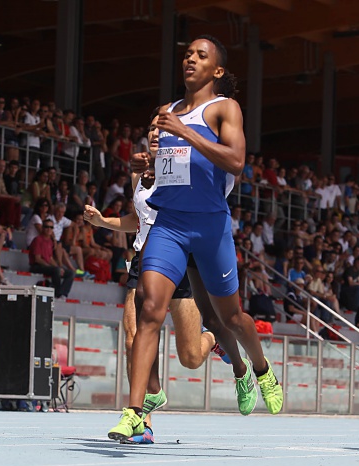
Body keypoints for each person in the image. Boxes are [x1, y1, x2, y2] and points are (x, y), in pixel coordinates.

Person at [108, 35, 283, 442]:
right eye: (187, 54)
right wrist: (148, 164)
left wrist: (185, 132)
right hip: (168, 225)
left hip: (209, 227)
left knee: (229, 318)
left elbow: (236, 161)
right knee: (149, 308)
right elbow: (176, 168)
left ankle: (261, 370)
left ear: (216, 70)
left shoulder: (224, 108)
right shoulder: (166, 112)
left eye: (201, 56)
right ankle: (134, 411)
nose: (190, 59)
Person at [85, 114, 223, 443]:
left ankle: (213, 338)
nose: (155, 134)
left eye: (163, 129)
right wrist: (103, 222)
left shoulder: (185, 170)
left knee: (191, 357)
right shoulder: (140, 172)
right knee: (133, 337)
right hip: (144, 260)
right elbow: (137, 219)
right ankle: (143, 418)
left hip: (179, 262)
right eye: (151, 129)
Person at [28, 219, 74, 299]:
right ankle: (57, 293)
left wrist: (59, 267)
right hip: (36, 266)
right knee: (56, 270)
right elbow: (37, 259)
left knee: (70, 273)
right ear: (43, 228)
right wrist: (53, 267)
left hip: (46, 266)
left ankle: (63, 294)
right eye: (47, 227)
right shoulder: (38, 240)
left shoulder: (50, 241)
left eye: (51, 227)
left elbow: (50, 258)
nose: (49, 229)